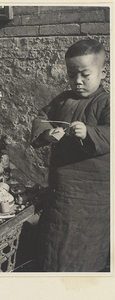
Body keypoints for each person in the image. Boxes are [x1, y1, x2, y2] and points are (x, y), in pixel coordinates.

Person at [31, 39, 110, 272]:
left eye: (85, 74)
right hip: (62, 188)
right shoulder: (63, 99)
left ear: (102, 72)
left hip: (92, 193)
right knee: (56, 236)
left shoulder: (106, 102)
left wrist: (90, 132)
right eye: (71, 75)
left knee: (87, 243)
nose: (77, 81)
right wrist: (47, 134)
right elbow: (41, 117)